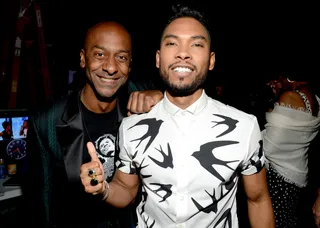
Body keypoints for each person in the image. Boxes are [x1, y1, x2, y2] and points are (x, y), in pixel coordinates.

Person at [80, 4, 275, 228]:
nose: (183, 53)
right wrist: (103, 188)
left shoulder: (244, 127)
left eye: (196, 44)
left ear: (211, 60)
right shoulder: (132, 127)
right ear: (158, 58)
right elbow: (126, 188)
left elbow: (258, 200)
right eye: (172, 43)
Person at [25, 21, 163, 228]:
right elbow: (42, 205)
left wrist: (162, 98)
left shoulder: (144, 100)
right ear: (83, 59)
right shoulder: (46, 122)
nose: (110, 67)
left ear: (130, 64)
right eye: (100, 55)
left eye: (121, 57)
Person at [263, 72, 320, 228]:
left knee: (273, 220)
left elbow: (270, 145)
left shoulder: (289, 96)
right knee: (288, 219)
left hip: (278, 175)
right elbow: (291, 136)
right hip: (299, 173)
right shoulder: (315, 98)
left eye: (279, 79)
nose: (275, 83)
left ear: (289, 77)